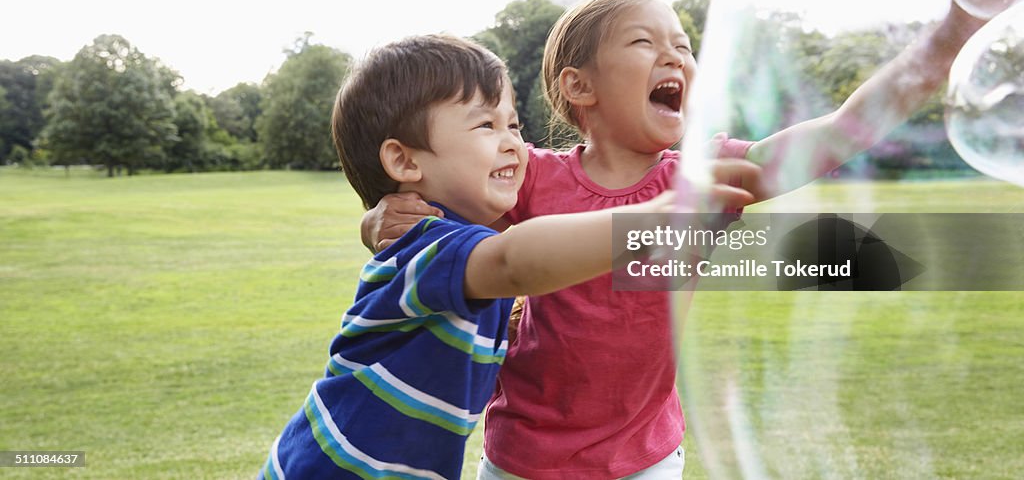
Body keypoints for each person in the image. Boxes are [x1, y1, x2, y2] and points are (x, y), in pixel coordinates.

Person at [362, 0, 1024, 479]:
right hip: (525, 460)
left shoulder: (701, 180)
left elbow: (843, 129)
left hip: (647, 459)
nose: (675, 56)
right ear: (579, 87)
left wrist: (954, 30)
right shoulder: (530, 176)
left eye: (683, 44)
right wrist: (382, 216)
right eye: (645, 42)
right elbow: (439, 197)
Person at [259, 34, 756, 479]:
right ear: (405, 161)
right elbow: (516, 261)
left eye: (514, 125)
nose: (514, 144)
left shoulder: (449, 248)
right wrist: (655, 215)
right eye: (485, 125)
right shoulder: (430, 246)